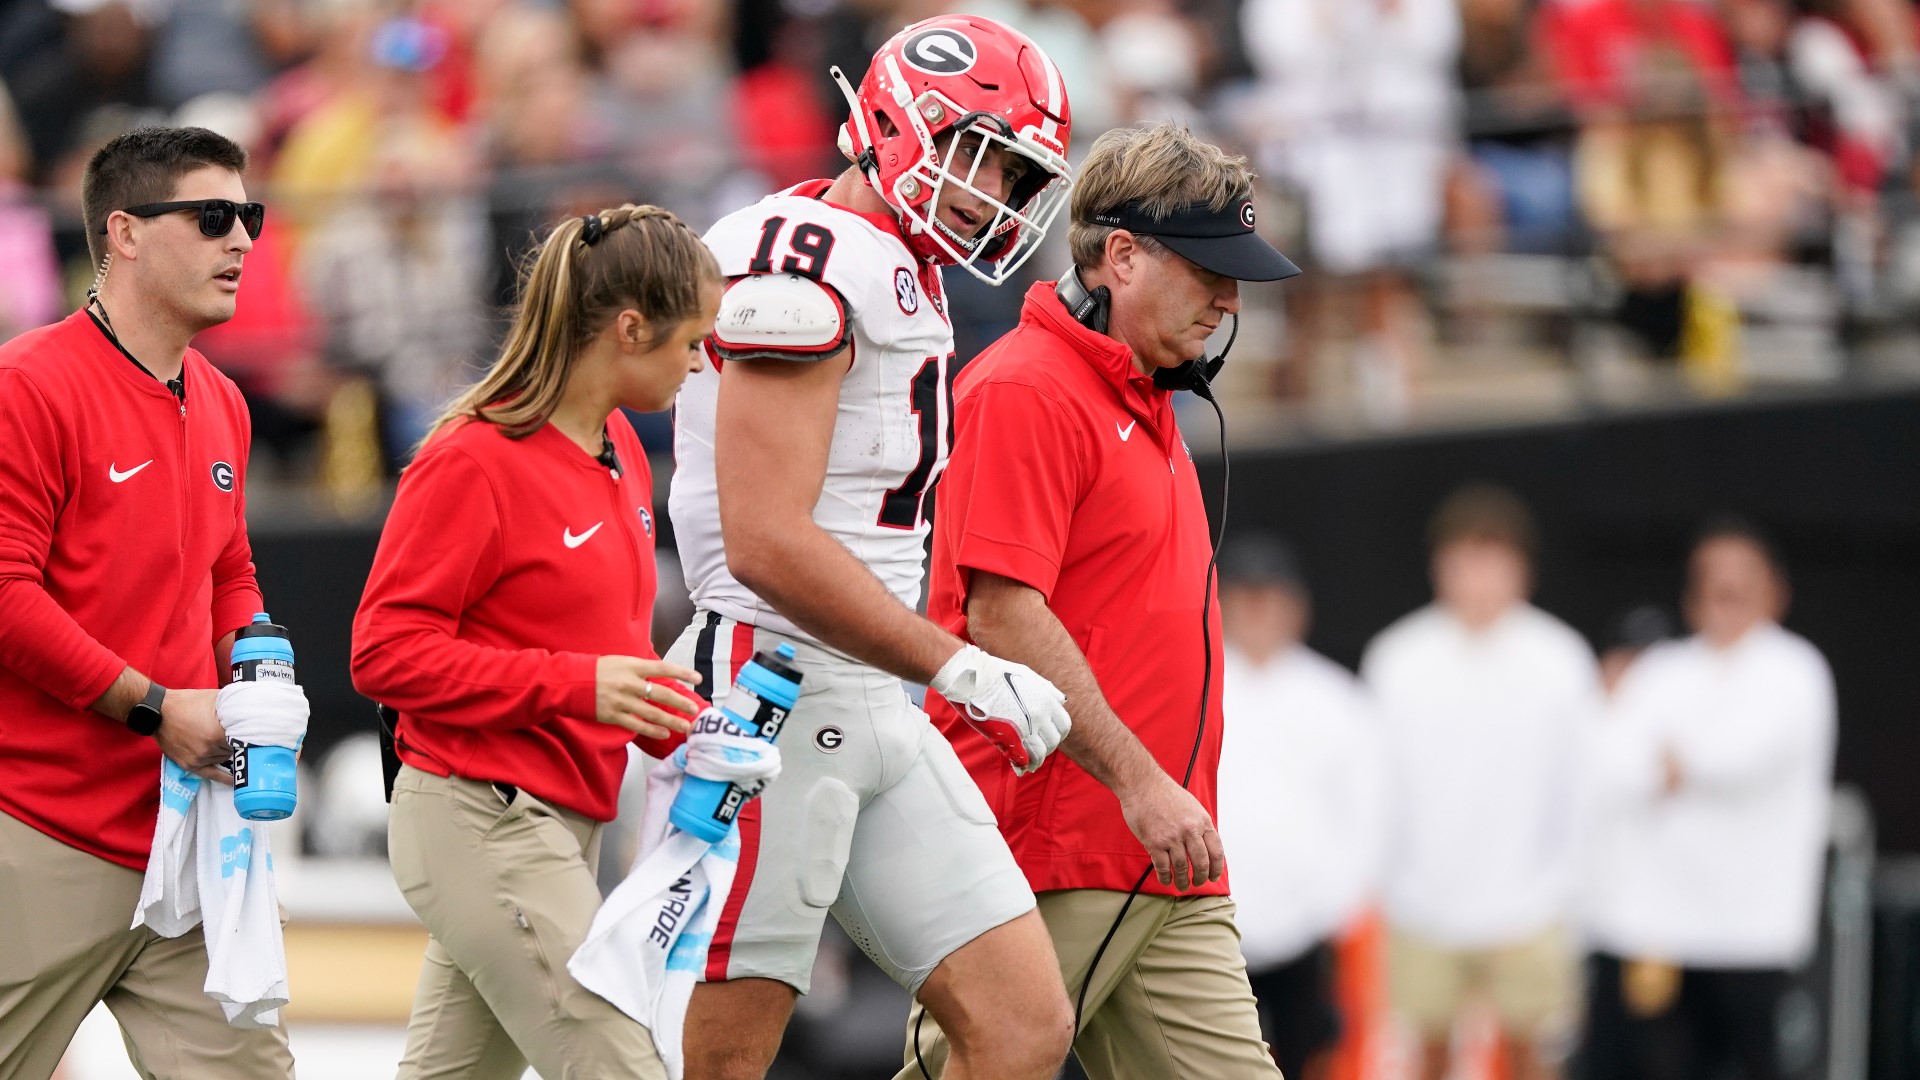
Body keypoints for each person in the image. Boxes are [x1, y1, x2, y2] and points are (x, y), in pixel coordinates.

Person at [665, 15, 1081, 1080]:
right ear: (900, 124)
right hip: (772, 695)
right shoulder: (803, 267)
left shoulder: (882, 253)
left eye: (1012, 170)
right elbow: (764, 540)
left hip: (873, 703)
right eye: (981, 155)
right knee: (720, 1066)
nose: (995, 190)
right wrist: (955, 660)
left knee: (1025, 1027)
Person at [900, 121, 1303, 1080]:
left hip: (1165, 851)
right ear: (1119, 256)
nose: (1228, 297)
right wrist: (1139, 781)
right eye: (1208, 267)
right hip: (1050, 842)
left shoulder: (1148, 400)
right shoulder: (1026, 390)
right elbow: (1000, 615)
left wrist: (1160, 799)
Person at [349, 204, 719, 1080]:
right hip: (481, 820)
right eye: (691, 342)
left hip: (560, 826)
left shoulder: (621, 444)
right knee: (623, 1066)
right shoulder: (472, 459)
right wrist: (578, 688)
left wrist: (691, 731)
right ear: (631, 330)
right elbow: (383, 653)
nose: (699, 363)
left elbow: (604, 654)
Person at [0, 125, 293, 1077]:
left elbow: (229, 570)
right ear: (122, 232)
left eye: (248, 215)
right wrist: (157, 706)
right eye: (213, 217)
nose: (243, 241)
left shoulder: (223, 399)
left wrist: (255, 667)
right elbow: (4, 598)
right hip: (40, 830)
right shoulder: (26, 386)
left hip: (189, 839)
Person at [1581, 520, 1836, 1080]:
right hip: (1656, 926)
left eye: (1740, 580)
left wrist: (1674, 759)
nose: (1724, 594)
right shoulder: (1664, 669)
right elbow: (1611, 759)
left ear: (1776, 590)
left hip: (1748, 932)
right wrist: (1668, 763)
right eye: (1710, 580)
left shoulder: (1794, 670)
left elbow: (1733, 758)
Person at [1361, 484, 1598, 1080]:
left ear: (1522, 569)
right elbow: (1379, 788)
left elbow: (1580, 787)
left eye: (1494, 558)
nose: (1479, 576)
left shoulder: (1562, 660)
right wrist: (1388, 883)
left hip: (1532, 905)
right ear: (1440, 566)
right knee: (1429, 1056)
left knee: (1533, 1057)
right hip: (1423, 904)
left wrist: (1564, 888)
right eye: (1465, 558)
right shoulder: (1397, 658)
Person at [1216, 534, 1388, 1080]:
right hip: (1211, 928)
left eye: (1271, 597)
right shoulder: (1197, 689)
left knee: (1308, 1060)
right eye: (1246, 597)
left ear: (1296, 607)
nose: (1259, 612)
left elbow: (1369, 813)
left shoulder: (1337, 698)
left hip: (1305, 933)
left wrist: (1331, 908)